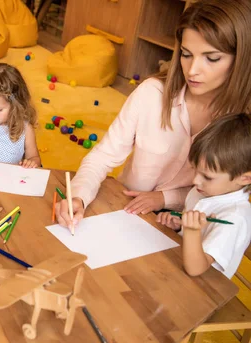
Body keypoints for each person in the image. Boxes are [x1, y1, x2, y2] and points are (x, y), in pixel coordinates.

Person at [55, 0, 251, 231]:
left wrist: (164, 198)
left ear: (240, 59)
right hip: (123, 207)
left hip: (189, 229)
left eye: (212, 58)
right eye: (186, 55)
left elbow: (232, 190)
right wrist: (78, 196)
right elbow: (102, 158)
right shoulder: (151, 93)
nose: (193, 70)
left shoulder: (243, 122)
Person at [156, 114, 251, 278]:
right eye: (195, 169)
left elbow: (196, 269)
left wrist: (191, 231)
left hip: (204, 290)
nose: (195, 180)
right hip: (176, 267)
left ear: (245, 178)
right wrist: (180, 226)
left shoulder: (235, 218)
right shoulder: (204, 190)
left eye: (207, 176)